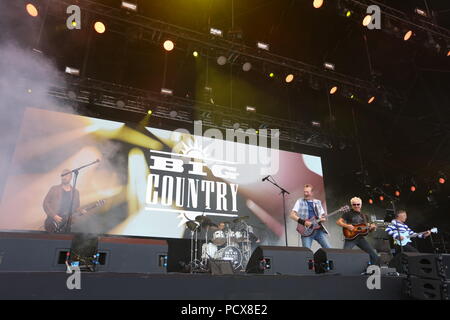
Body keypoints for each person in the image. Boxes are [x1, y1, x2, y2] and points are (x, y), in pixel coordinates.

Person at [336, 197, 380, 265]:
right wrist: (347, 226)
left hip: (360, 238)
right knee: (344, 255)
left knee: (374, 255)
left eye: (358, 204)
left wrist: (372, 228)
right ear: (352, 205)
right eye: (354, 204)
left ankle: (370, 270)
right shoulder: (348, 213)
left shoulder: (365, 216)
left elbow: (368, 231)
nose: (356, 206)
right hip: (350, 238)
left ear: (361, 205)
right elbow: (338, 222)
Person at [289, 184, 331, 249]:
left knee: (329, 250)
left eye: (307, 192)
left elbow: (322, 216)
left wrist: (323, 219)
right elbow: (292, 215)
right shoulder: (300, 201)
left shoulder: (318, 202)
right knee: (307, 253)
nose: (305, 193)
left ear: (312, 193)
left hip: (318, 230)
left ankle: (327, 260)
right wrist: (304, 222)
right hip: (306, 231)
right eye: (304, 192)